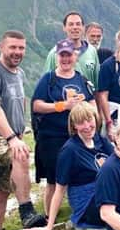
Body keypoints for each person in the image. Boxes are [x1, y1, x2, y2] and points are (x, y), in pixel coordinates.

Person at [0, 30, 46, 230]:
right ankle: (27, 212)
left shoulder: (19, 73)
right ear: (1, 47)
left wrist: (20, 130)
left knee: (2, 191)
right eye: (12, 47)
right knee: (19, 155)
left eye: (21, 48)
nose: (17, 52)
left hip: (10, 135)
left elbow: (19, 101)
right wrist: (12, 138)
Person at [26, 102, 113, 230]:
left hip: (104, 192)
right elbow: (59, 190)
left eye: (89, 120)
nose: (87, 126)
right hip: (87, 204)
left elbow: (119, 161)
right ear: (73, 126)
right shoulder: (69, 150)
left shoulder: (100, 140)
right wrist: (49, 225)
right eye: (81, 122)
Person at [32, 39, 96, 215]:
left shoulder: (81, 79)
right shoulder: (48, 79)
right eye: (62, 55)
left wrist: (86, 108)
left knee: (80, 175)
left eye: (69, 55)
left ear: (75, 57)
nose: (66, 59)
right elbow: (36, 105)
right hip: (52, 138)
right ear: (57, 57)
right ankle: (48, 216)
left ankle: (80, 209)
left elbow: (93, 103)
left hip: (77, 138)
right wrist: (62, 106)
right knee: (53, 180)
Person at [44, 11, 100, 90]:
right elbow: (46, 83)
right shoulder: (54, 53)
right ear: (64, 28)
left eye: (78, 24)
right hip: (63, 100)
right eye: (71, 24)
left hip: (87, 101)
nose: (75, 27)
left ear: (83, 27)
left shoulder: (92, 51)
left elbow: (96, 85)